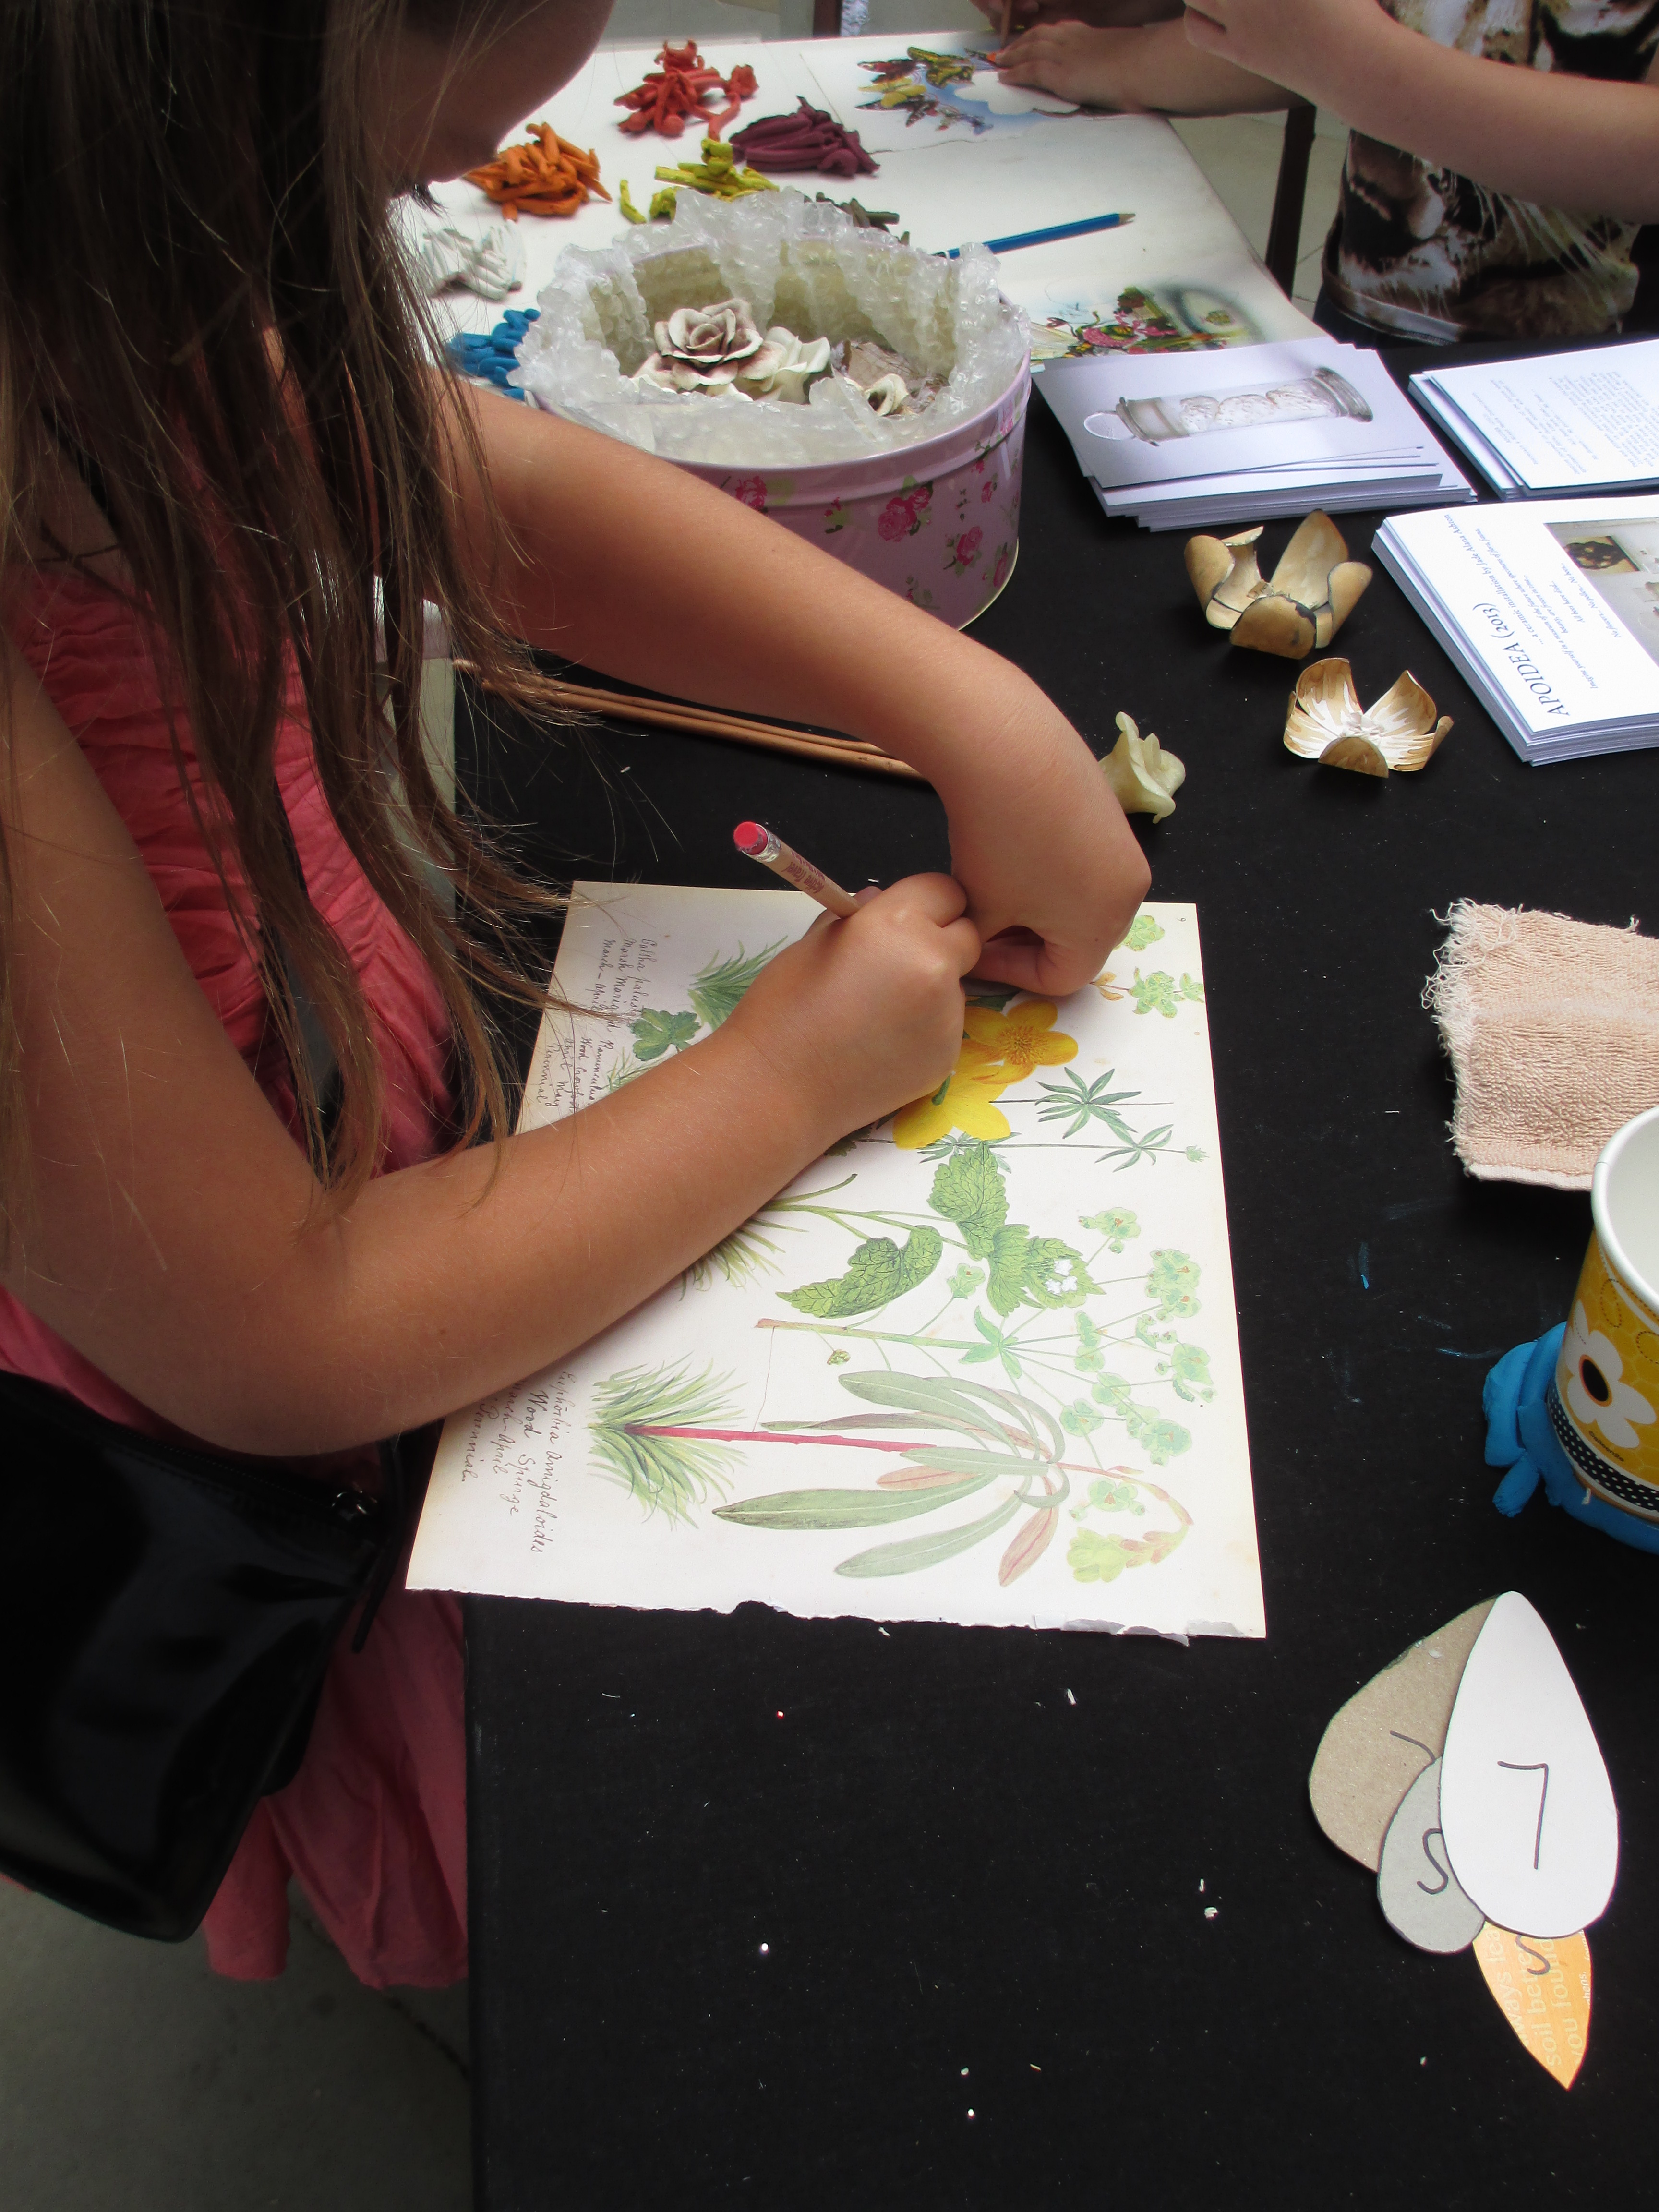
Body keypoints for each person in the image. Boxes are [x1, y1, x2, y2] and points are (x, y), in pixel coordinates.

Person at [0, 1, 1148, 1988]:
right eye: (381, 182)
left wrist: (955, 697)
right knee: (470, 1727)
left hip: (329, 1088)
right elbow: (281, 1333)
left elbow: (446, 478)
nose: (391, 236)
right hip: (217, 1282)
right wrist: (788, 1075)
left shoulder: (91, 275)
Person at [989, 0, 1659, 341]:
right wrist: (1126, 38)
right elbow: (1322, 35)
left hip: (1583, 384)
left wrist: (1350, 64)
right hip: (1366, 321)